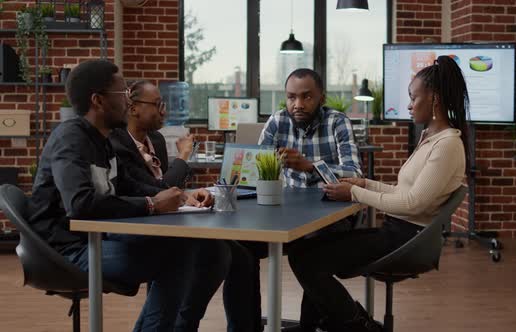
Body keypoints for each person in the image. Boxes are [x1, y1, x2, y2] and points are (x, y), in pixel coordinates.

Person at [27, 59, 229, 331]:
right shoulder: (71, 139)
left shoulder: (102, 138)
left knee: (200, 246)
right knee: (177, 257)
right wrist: (151, 205)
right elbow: (80, 204)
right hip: (66, 249)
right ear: (98, 100)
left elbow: (130, 184)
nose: (128, 101)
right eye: (122, 93)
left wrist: (181, 196)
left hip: (97, 236)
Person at [287, 55, 470, 332]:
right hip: (399, 231)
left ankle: (358, 326)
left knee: (308, 260)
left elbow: (412, 203)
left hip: (407, 238)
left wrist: (354, 194)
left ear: (434, 100)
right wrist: (364, 183)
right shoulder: (431, 138)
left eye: (413, 98)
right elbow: (404, 191)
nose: (409, 105)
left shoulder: (447, 146)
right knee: (304, 251)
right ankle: (316, 324)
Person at [109, 80, 257, 331]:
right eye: (158, 104)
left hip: (166, 218)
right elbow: (159, 189)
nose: (164, 110)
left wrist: (190, 194)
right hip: (138, 222)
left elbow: (163, 188)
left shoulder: (154, 138)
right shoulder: (117, 143)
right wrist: (184, 156)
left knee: (239, 255)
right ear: (133, 108)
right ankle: (182, 325)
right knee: (213, 253)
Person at [246, 68, 363, 332]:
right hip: (288, 212)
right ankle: (246, 325)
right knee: (241, 250)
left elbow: (355, 174)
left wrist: (310, 167)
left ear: (321, 97)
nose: (297, 104)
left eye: (306, 97)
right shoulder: (277, 122)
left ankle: (312, 325)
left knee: (309, 251)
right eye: (291, 97)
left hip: (333, 213)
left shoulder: (338, 122)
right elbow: (254, 171)